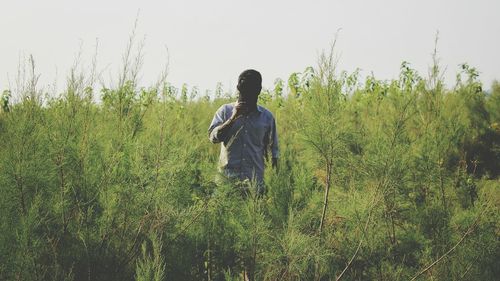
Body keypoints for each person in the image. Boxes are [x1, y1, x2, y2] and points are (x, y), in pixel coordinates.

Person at [208, 69, 279, 195]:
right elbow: (214, 138)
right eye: (242, 95)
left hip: (255, 187)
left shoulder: (267, 118)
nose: (244, 100)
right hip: (226, 184)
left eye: (249, 96)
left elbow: (273, 154)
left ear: (258, 91)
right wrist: (232, 119)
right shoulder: (225, 111)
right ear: (238, 89)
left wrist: (273, 185)